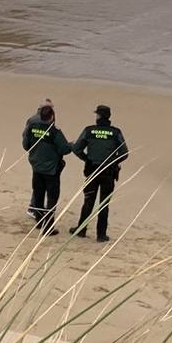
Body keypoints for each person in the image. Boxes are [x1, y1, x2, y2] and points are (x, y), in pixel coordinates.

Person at [69, 104, 128, 243]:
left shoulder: (89, 131)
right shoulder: (116, 132)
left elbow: (77, 149)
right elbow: (124, 153)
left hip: (92, 170)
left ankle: (81, 230)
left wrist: (87, 159)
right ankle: (101, 235)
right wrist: (113, 162)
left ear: (98, 116)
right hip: (108, 173)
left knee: (88, 201)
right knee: (104, 204)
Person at [22, 103, 71, 235]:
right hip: (51, 170)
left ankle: (39, 221)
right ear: (51, 117)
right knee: (52, 198)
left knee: (38, 195)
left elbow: (26, 145)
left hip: (36, 167)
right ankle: (48, 227)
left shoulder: (32, 128)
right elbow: (64, 149)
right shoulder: (54, 132)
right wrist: (71, 145)